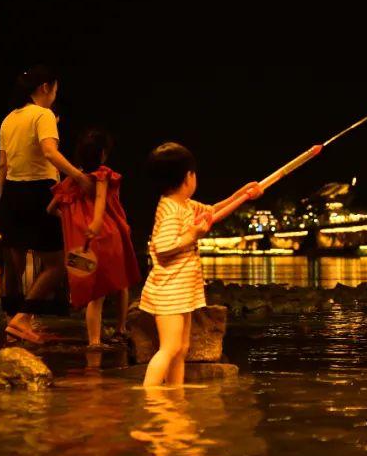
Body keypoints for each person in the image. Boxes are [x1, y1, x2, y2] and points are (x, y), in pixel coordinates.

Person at [139, 142, 261, 386]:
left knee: (181, 348)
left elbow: (213, 212)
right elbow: (163, 246)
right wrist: (192, 235)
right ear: (187, 177)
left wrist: (242, 195)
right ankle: (149, 397)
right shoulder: (170, 210)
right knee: (169, 348)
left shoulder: (184, 204)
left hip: (180, 289)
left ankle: (174, 394)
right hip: (169, 289)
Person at [0, 65, 93, 343]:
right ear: (45, 87)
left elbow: (2, 165)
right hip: (39, 190)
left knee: (14, 265)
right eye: (55, 90)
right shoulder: (43, 114)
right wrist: (78, 176)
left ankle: (12, 324)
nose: (54, 96)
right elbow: (50, 152)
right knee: (57, 264)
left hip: (11, 193)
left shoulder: (8, 120)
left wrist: (3, 200)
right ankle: (22, 319)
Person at [48, 128, 141, 348]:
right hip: (108, 236)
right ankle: (120, 330)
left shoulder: (71, 181)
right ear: (102, 154)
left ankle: (94, 340)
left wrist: (73, 221)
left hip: (80, 242)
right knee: (121, 284)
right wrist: (97, 221)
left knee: (93, 294)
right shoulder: (103, 174)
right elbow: (100, 198)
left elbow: (51, 209)